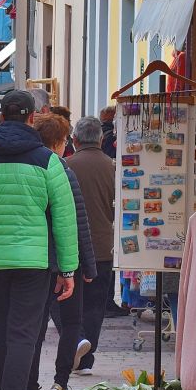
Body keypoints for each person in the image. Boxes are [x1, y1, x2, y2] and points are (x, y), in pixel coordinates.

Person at [0, 90, 80, 390]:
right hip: (33, 262)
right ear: (31, 118)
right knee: (24, 333)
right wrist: (68, 269)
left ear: (0, 116)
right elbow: (65, 220)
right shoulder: (48, 161)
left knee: (0, 333)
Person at [27, 114, 97, 390]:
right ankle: (60, 383)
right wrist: (89, 265)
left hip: (38, 259)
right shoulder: (62, 169)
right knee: (71, 323)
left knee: (36, 327)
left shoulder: (28, 169)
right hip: (67, 259)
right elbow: (78, 220)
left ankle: (30, 389)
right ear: (58, 142)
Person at [66, 115, 115, 375]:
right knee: (96, 304)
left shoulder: (65, 165)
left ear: (74, 140)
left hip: (71, 246)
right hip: (102, 245)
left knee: (68, 301)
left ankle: (77, 340)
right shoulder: (113, 166)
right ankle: (87, 355)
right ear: (101, 139)